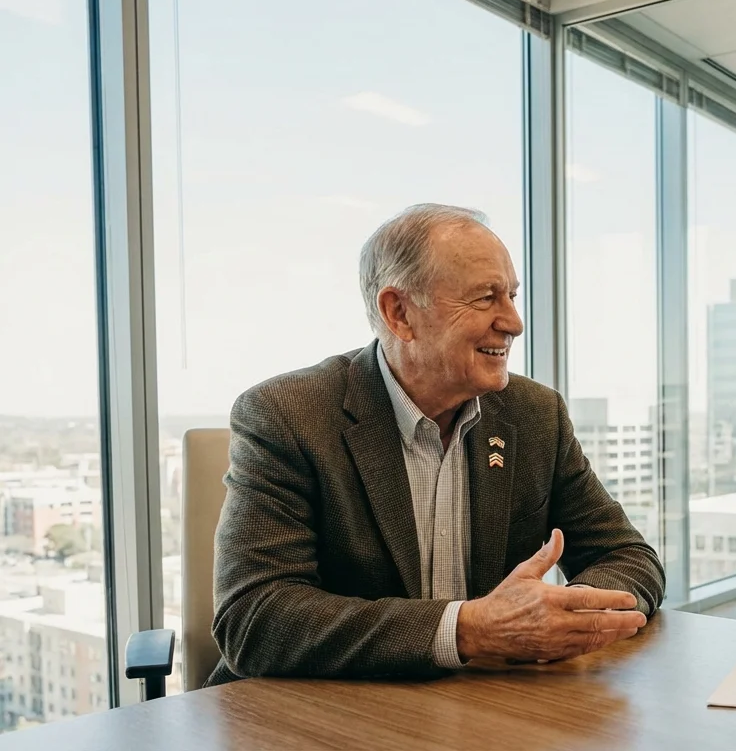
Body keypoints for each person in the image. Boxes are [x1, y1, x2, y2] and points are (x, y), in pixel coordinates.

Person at [208, 203, 665, 685]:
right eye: (487, 298)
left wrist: (568, 614)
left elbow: (628, 557)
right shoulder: (287, 415)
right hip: (313, 712)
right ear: (399, 312)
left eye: (511, 295)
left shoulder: (534, 415)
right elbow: (255, 618)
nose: (514, 322)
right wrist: (467, 630)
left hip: (477, 707)